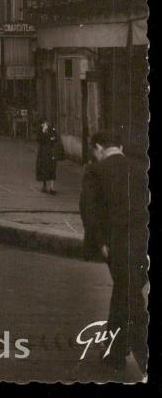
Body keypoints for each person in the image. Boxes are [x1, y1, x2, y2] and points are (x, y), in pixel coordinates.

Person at [80, 132, 148, 374]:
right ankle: (115, 351)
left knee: (130, 298)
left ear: (98, 148)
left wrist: (100, 243)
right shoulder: (140, 169)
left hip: (116, 244)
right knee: (126, 291)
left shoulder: (95, 171)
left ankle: (142, 354)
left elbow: (89, 210)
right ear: (119, 146)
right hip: (142, 242)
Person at [35, 120, 59, 194]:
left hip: (51, 151)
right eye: (44, 123)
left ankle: (51, 187)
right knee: (43, 168)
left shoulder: (52, 128)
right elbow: (39, 139)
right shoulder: (40, 129)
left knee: (52, 167)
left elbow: (55, 138)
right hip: (43, 152)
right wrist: (44, 132)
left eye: (46, 123)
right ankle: (44, 185)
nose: (45, 124)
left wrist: (51, 138)